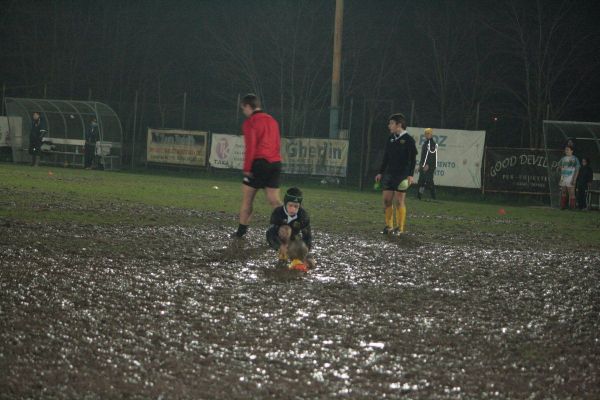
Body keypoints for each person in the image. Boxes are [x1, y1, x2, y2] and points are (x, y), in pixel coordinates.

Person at [232, 94, 283, 238]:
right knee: (274, 200)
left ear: (248, 106)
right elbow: (277, 144)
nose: (244, 112)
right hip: (275, 163)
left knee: (247, 199)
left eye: (243, 109)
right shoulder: (273, 121)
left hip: (259, 163)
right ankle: (287, 228)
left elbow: (251, 147)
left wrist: (247, 168)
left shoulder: (251, 122)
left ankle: (241, 232)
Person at [375, 113, 417, 235]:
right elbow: (386, 157)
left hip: (402, 175)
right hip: (389, 174)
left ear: (399, 124)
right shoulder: (390, 138)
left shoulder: (409, 140)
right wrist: (380, 172)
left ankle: (400, 228)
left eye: (391, 123)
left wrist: (410, 175)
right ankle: (389, 226)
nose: (389, 126)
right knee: (387, 200)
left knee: (399, 201)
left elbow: (413, 159)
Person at [266, 187, 313, 264]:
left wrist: (305, 252)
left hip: (294, 239)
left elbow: (307, 236)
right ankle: (282, 255)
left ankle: (295, 255)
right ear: (285, 203)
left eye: (296, 206)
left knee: (310, 263)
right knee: (286, 229)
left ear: (300, 205)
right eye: (290, 205)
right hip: (279, 239)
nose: (293, 209)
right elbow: (270, 233)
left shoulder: (303, 215)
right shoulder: (278, 212)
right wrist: (279, 246)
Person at [417, 127, 438, 200]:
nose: (426, 135)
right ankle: (419, 196)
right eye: (426, 133)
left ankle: (434, 197)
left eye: (428, 133)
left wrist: (428, 165)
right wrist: (420, 165)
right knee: (421, 181)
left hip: (430, 166)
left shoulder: (432, 144)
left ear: (431, 135)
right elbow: (423, 156)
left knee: (429, 181)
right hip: (423, 165)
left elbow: (432, 156)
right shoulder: (425, 143)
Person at [557, 145, 580, 209]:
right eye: (565, 149)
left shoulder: (575, 159)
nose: (566, 151)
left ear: (572, 151)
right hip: (563, 177)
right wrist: (560, 169)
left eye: (568, 149)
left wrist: (574, 179)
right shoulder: (563, 158)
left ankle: (572, 207)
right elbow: (559, 166)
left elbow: (577, 169)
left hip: (570, 177)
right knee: (563, 192)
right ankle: (562, 206)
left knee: (571, 193)